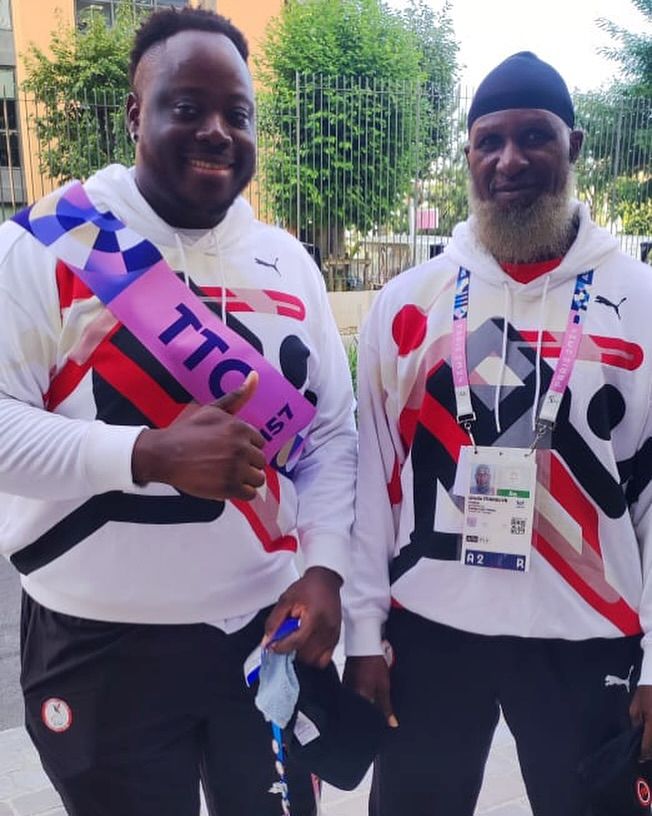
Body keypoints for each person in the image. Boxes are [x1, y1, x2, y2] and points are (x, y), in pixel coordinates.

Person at [0, 8, 356, 816]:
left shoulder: (288, 263)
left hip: (261, 640)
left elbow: (332, 434)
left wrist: (326, 564)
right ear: (135, 114)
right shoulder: (49, 245)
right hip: (96, 648)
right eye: (186, 107)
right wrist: (145, 454)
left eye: (238, 113)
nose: (217, 132)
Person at [343, 51, 652, 816]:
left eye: (534, 137)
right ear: (470, 155)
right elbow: (370, 483)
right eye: (489, 141)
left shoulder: (638, 298)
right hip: (432, 631)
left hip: (587, 635)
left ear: (574, 147)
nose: (509, 160)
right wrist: (361, 632)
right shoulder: (407, 302)